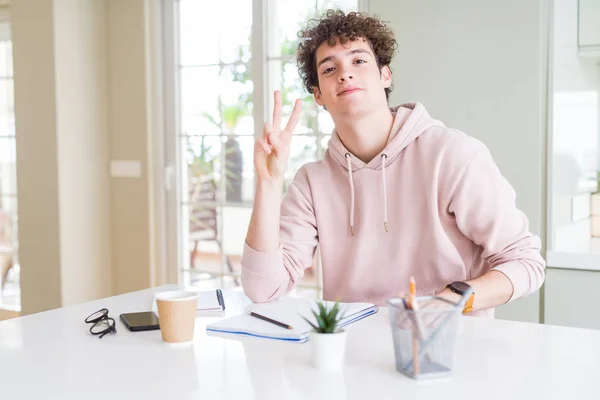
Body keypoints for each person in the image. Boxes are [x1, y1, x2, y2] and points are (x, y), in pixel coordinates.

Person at [240, 10, 545, 317]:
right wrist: (268, 183)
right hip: (351, 351)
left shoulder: (451, 154)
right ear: (318, 95)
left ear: (385, 75)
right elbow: (263, 289)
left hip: (446, 348)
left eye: (359, 61)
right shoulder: (311, 183)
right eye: (330, 68)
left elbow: (525, 261)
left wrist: (450, 300)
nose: (345, 74)